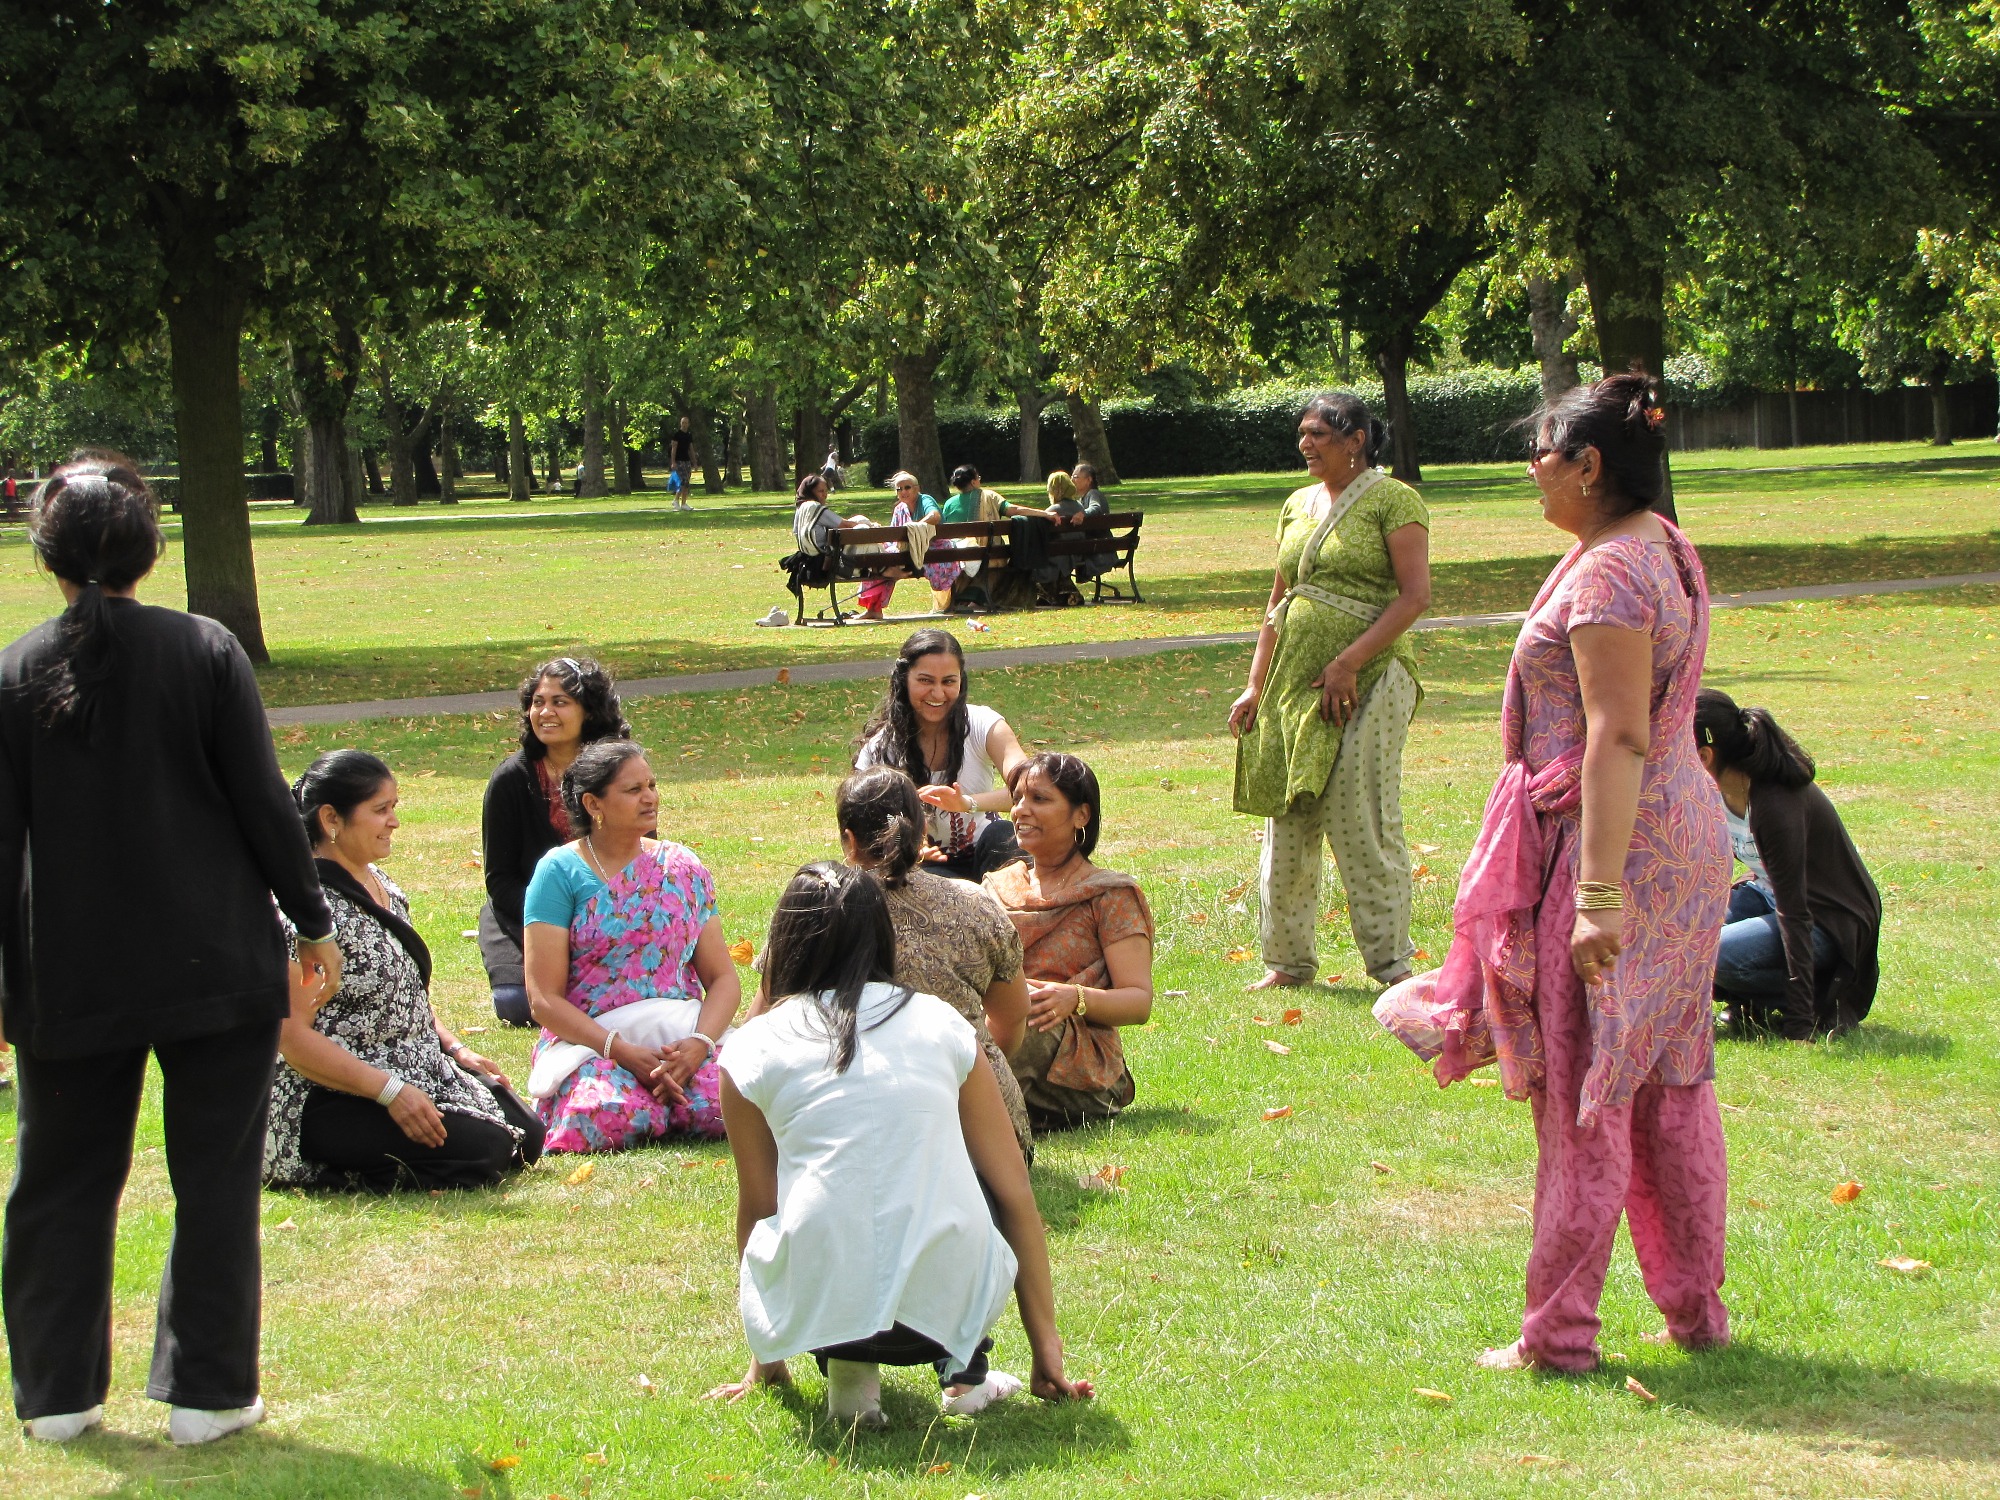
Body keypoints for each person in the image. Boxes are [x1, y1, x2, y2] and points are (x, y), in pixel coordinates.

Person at [1373, 372, 1733, 1373]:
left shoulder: (1610, 574)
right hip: (1675, 835)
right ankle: (1693, 1315)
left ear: (1587, 465)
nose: (1528, 469)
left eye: (1539, 452)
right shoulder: (1656, 544)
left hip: (1617, 844)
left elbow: (1616, 735)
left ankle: (1559, 1338)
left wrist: (1595, 897)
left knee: (1586, 1089)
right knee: (1666, 1075)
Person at [0, 454, 337, 1445]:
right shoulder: (205, 650)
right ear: (150, 550)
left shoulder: (15, 669)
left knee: (57, 1179)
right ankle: (210, 1396)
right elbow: (261, 802)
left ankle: (57, 1398)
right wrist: (311, 920)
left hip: (67, 972)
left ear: (47, 554)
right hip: (213, 963)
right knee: (213, 1180)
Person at [707, 862, 1093, 1424]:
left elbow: (759, 1207)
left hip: (819, 1307)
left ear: (786, 942)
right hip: (946, 1312)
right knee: (974, 1180)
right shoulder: (940, 1023)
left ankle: (849, 1373)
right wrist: (1047, 1354)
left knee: (814, 1199)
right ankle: (966, 1375)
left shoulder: (752, 1048)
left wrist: (768, 1350)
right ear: (881, 938)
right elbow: (1014, 1194)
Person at [1229, 391, 1432, 991]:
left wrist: (1348, 662)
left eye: (1319, 433)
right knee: (1287, 814)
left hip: (1373, 677)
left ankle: (1391, 963)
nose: (1306, 444)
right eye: (1303, 433)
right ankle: (1288, 962)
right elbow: (1278, 599)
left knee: (1358, 814)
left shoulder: (1395, 500)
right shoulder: (1296, 505)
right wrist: (1254, 683)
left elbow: (1414, 597)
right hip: (1294, 678)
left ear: (1356, 440)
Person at [268, 752, 545, 1191]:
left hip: (415, 1064)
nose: (394, 821)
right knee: (486, 1150)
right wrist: (389, 1092)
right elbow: (292, 1038)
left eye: (394, 807)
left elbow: (405, 994)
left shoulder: (384, 887)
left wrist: (455, 1050)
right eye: (381, 810)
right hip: (330, 1091)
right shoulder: (300, 911)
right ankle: (336, 1173)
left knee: (528, 1135)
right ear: (330, 819)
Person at [747, 768, 1033, 1157]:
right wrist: (972, 1073)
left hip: (848, 1137)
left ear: (849, 839)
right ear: (921, 831)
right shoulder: (975, 903)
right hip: (989, 1137)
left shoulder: (817, 906)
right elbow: (1013, 1015)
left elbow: (760, 1026)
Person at [523, 740, 741, 1152]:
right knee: (604, 1115)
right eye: (633, 790)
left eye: (652, 785)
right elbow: (543, 999)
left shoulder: (681, 867)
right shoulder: (559, 873)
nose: (650, 798)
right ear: (593, 804)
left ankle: (677, 1098)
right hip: (593, 1044)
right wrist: (619, 1050)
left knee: (731, 1101)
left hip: (679, 1040)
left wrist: (699, 1046)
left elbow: (724, 977)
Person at [1695, 689, 1881, 1039]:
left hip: (1826, 918)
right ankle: (1752, 1003)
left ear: (1704, 756)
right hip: (1768, 896)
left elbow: (1796, 914)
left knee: (1714, 955)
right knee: (1684, 939)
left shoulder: (1775, 804)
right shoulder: (1714, 790)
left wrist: (1799, 1024)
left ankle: (1819, 1003)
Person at [983, 754, 1154, 1131]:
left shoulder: (1110, 895)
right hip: (997, 1022)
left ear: (1081, 815)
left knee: (1019, 1021)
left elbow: (1138, 1002)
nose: (1021, 811)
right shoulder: (998, 888)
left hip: (1076, 1056)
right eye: (1017, 799)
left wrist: (1073, 999)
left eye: (1039, 800)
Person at [480, 658, 631, 1025]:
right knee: (517, 1003)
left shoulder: (620, 773)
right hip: (529, 914)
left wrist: (602, 921)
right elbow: (500, 879)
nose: (545, 712)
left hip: (610, 911)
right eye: (537, 701)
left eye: (560, 702)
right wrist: (558, 923)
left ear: (589, 711)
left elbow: (638, 857)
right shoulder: (510, 780)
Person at [855, 628, 1028, 881]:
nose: (938, 694)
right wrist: (907, 844)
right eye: (925, 680)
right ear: (904, 679)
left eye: (948, 681)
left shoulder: (984, 725)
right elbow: (861, 819)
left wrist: (966, 803)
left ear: (961, 681)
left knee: (1004, 834)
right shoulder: (880, 747)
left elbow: (1030, 789)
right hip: (923, 868)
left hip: (988, 855)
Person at [856, 472, 937, 621]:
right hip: (903, 553)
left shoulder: (925, 500)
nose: (903, 491)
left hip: (927, 552)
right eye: (899, 489)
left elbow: (935, 516)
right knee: (876, 557)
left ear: (917, 488)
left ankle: (877, 601)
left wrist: (916, 526)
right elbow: (893, 537)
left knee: (880, 561)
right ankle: (873, 608)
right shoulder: (899, 508)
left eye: (907, 487)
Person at [1064, 463, 1117, 586]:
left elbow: (1096, 507)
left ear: (1089, 480)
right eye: (1072, 476)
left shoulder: (1093, 494)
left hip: (1099, 552)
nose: (1072, 480)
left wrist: (1083, 514)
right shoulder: (1081, 499)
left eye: (1076, 477)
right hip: (1096, 549)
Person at [668, 416, 696, 511]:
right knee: (682, 482)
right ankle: (676, 500)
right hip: (679, 461)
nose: (684, 425)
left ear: (688, 424)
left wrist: (694, 462)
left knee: (686, 482)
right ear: (681, 423)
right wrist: (673, 462)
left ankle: (683, 503)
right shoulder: (677, 435)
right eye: (683, 423)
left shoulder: (688, 435)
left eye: (686, 423)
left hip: (686, 461)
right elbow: (673, 449)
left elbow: (691, 449)